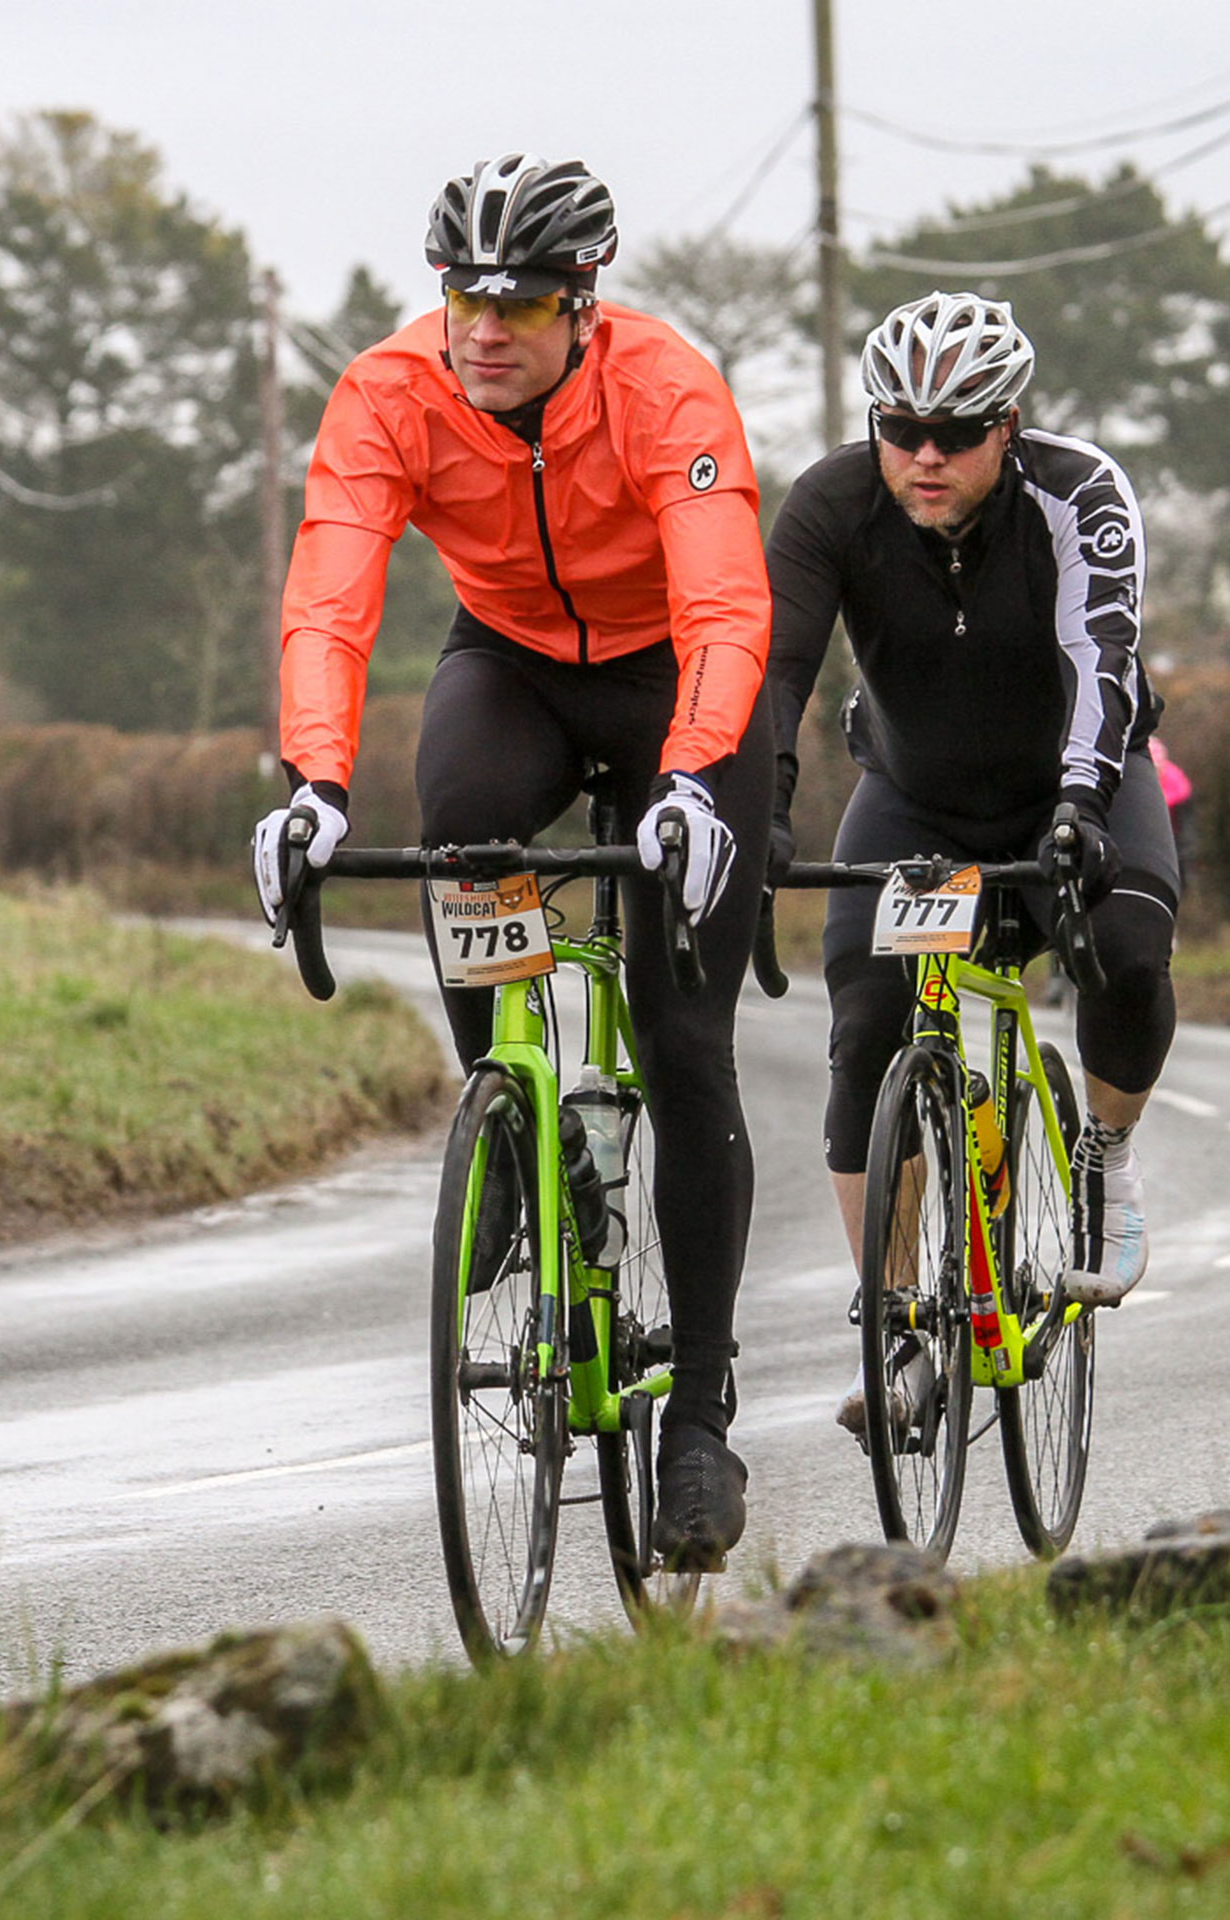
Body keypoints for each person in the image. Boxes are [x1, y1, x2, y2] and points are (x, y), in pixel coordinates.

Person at [250, 154, 773, 1570]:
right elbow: (332, 591)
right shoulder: (392, 391)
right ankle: (515, 1137)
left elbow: (727, 598)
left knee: (681, 1041)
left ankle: (701, 1418)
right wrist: (313, 782)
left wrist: (693, 777)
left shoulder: (667, 386)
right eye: (463, 295)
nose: (484, 327)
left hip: (678, 670)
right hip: (519, 663)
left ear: (582, 303)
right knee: (464, 834)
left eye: (521, 301)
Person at [766, 288, 1180, 1439]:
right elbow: (775, 672)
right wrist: (761, 810)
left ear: (1012, 424)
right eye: (900, 430)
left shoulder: (1079, 490)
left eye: (957, 432)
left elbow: (1104, 654)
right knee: (865, 1013)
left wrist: (1084, 801)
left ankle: (1102, 1151)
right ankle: (894, 1322)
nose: (925, 456)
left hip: (1077, 781)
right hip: (918, 800)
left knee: (1133, 951)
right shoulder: (832, 504)